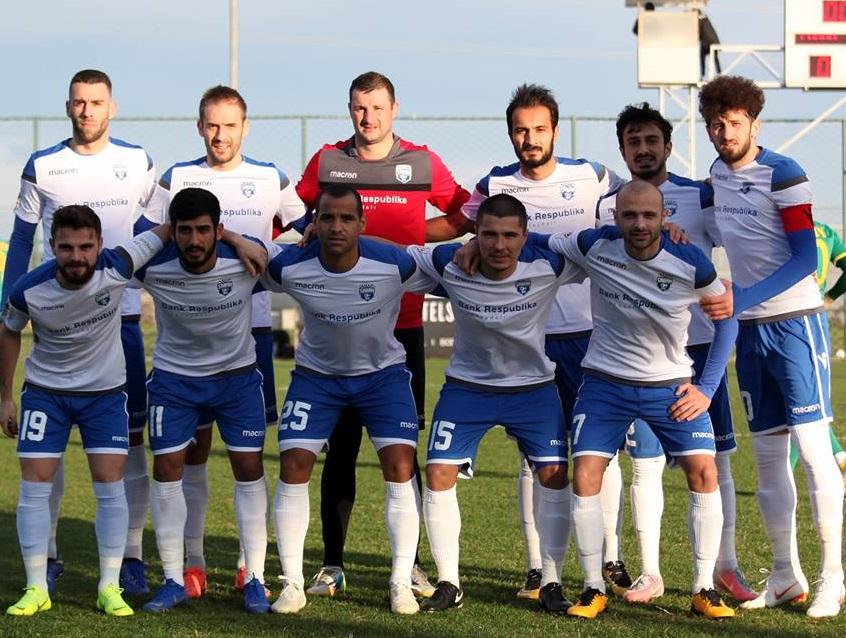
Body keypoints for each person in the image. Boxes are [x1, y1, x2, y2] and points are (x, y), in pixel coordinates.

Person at [426, 83, 627, 601]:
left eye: (539, 129)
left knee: (595, 450)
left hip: (586, 334)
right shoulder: (494, 183)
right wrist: (461, 240)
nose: (530, 138)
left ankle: (610, 554)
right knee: (532, 458)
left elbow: (634, 211)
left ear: (555, 130)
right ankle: (539, 567)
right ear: (510, 133)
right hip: (523, 342)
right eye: (521, 130)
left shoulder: (594, 176)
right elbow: (460, 225)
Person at [294, 71, 469, 598]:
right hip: (337, 330)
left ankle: (409, 565)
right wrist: (306, 227)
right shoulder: (327, 161)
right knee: (341, 451)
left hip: (402, 328)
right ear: (349, 109)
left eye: (376, 108)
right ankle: (332, 565)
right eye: (358, 107)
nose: (367, 117)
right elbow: (294, 211)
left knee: (401, 453)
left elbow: (463, 212)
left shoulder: (421, 162)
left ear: (394, 109)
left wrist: (416, 235)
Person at [532, 180, 739, 620]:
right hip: (605, 386)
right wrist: (475, 242)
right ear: (616, 217)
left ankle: (704, 589)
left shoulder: (691, 260)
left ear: (665, 217)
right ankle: (592, 588)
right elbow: (533, 239)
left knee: (705, 472)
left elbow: (727, 321)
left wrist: (706, 389)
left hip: (670, 387)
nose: (639, 224)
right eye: (630, 215)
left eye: (649, 215)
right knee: (585, 473)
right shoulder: (594, 245)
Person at [0, 69, 159, 597]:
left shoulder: (137, 161)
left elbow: (153, 230)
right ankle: (47, 556)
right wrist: (7, 303)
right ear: (68, 106)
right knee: (45, 450)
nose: (87, 110)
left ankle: (130, 556)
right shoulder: (42, 165)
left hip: (122, 318)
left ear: (112, 107)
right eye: (79, 102)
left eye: (96, 102)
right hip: (59, 319)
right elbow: (22, 239)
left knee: (130, 444)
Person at [143, 85, 306, 597]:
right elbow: (148, 239)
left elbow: (305, 234)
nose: (220, 135)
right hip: (185, 333)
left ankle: (245, 566)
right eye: (212, 125)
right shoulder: (175, 178)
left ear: (245, 127)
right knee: (191, 455)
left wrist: (249, 247)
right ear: (199, 127)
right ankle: (190, 565)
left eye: (229, 125)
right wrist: (230, 239)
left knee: (247, 457)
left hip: (248, 333)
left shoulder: (271, 177)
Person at [595, 103, 755, 604]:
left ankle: (724, 568)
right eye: (633, 142)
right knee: (644, 465)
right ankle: (651, 572)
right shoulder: (611, 204)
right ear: (623, 150)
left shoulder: (701, 196)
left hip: (701, 350)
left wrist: (736, 288)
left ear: (667, 145)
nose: (643, 149)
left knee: (714, 462)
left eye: (651, 140)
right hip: (642, 359)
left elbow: (740, 250)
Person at [699, 75, 844, 619]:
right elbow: (706, 220)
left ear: (754, 124)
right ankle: (785, 574)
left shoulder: (783, 172)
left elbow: (805, 258)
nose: (725, 133)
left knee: (814, 451)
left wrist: (741, 297)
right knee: (767, 459)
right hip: (751, 332)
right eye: (716, 124)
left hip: (796, 324)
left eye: (735, 123)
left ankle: (833, 576)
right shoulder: (716, 175)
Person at [260, 185, 435, 615]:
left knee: (401, 467)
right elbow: (250, 255)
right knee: (294, 465)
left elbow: (448, 264)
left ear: (362, 224)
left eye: (346, 218)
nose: (336, 226)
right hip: (317, 381)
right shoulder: (290, 266)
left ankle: (400, 582)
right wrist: (229, 237)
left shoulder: (394, 263)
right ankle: (293, 583)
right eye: (327, 218)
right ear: (314, 224)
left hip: (383, 379)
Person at [414, 193, 587, 614]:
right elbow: (393, 253)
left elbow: (604, 245)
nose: (499, 245)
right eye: (489, 235)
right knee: (438, 473)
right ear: (475, 233)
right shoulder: (450, 263)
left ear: (524, 236)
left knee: (553, 476)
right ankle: (449, 583)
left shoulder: (548, 265)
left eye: (510, 236)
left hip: (533, 390)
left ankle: (551, 581)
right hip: (467, 388)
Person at [1, 205, 169, 617]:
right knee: (34, 484)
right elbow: (8, 331)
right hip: (46, 394)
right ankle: (36, 587)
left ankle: (108, 586)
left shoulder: (118, 264)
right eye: (66, 247)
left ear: (99, 245)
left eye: (85, 247)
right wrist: (5, 396)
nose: (76, 256)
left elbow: (166, 231)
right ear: (52, 246)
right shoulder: (28, 289)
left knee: (110, 484)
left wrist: (230, 237)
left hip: (104, 396)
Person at [135, 188, 272, 614]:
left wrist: (237, 240)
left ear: (218, 230)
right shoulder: (153, 265)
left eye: (202, 230)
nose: (193, 240)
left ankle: (254, 576)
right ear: (172, 231)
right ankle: (175, 578)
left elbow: (281, 258)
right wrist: (162, 232)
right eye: (184, 231)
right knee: (167, 469)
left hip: (236, 380)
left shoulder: (244, 260)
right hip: (175, 383)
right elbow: (115, 261)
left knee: (248, 467)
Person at [789, 220, 846, 476]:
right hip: (815, 321)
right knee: (808, 401)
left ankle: (785, 478)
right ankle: (841, 458)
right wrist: (829, 297)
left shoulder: (781, 227)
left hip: (788, 319)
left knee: (798, 404)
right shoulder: (826, 231)